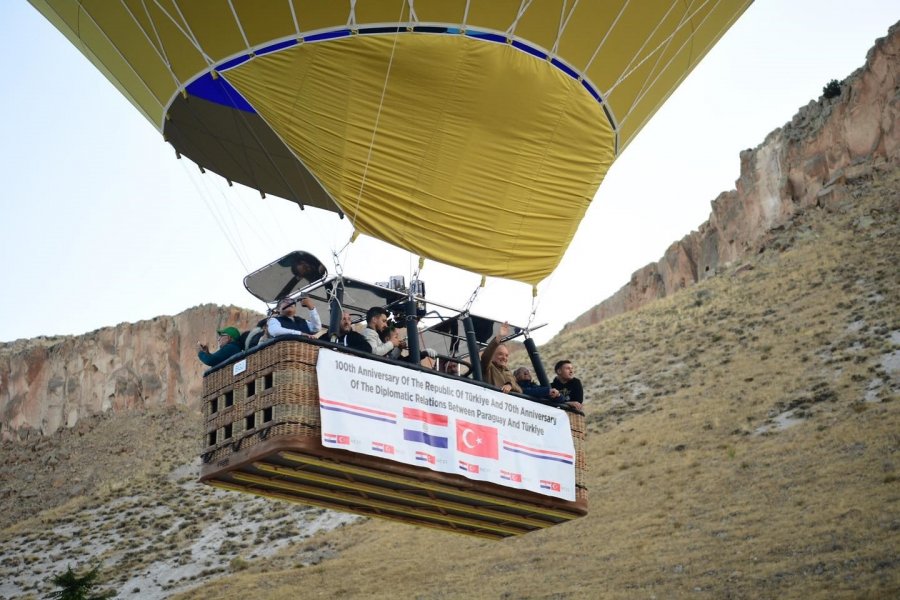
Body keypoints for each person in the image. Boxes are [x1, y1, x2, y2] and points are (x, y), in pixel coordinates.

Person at [481, 322, 522, 394]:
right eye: (500, 354)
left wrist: (510, 385)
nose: (504, 358)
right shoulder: (488, 368)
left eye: (506, 355)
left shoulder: (508, 372)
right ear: (492, 355)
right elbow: (485, 356)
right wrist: (499, 336)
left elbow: (519, 390)